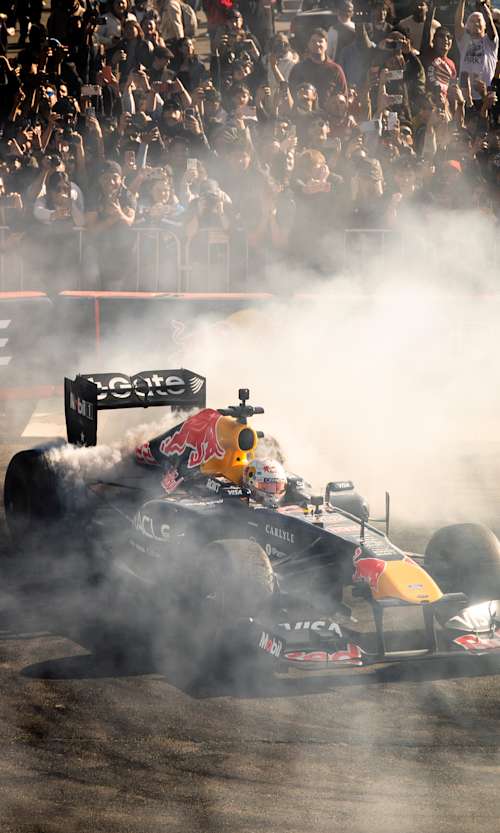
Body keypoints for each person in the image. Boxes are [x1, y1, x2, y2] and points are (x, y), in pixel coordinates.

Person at [289, 29, 348, 106]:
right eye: (313, 41)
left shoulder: (335, 69)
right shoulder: (298, 69)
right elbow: (291, 94)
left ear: (326, 45)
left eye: (320, 41)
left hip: (328, 116)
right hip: (304, 116)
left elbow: (343, 97)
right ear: (308, 44)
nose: (317, 44)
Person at [455, 0, 499, 102]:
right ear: (467, 26)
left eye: (478, 21)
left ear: (484, 26)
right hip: (464, 95)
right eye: (471, 21)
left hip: (485, 96)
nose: (475, 23)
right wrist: (462, 1)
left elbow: (489, 20)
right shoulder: (464, 40)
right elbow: (458, 22)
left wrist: (483, 5)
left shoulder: (491, 42)